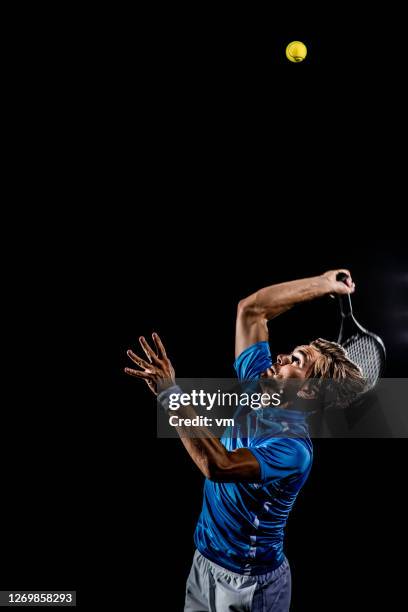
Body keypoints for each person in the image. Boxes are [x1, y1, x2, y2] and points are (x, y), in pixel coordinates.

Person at [125, 269, 365, 611]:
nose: (280, 358)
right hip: (204, 561)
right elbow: (251, 311)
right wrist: (322, 285)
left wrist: (170, 394)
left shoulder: (294, 450)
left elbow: (218, 464)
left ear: (309, 390)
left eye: (295, 361)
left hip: (250, 587)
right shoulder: (259, 381)